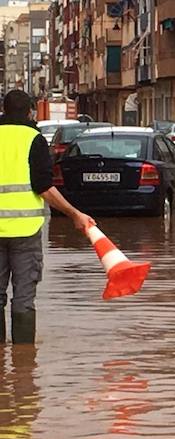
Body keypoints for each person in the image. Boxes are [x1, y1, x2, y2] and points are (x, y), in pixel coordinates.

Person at [0, 90, 96, 344]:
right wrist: (74, 213)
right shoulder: (34, 139)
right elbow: (43, 186)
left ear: (4, 109)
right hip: (26, 231)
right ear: (30, 111)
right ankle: (24, 369)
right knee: (23, 297)